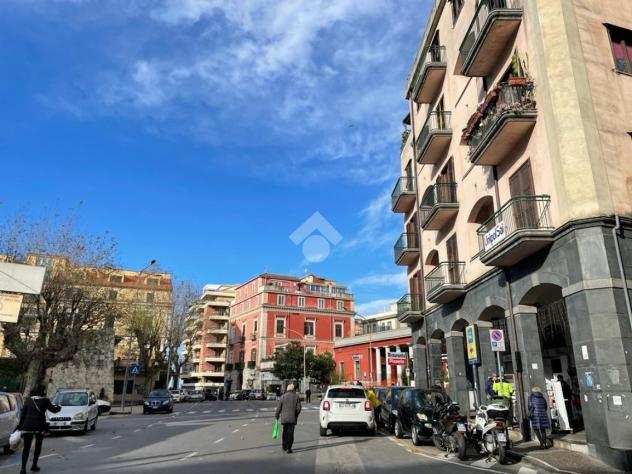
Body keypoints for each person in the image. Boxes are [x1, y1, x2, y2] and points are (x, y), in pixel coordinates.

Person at [16, 385, 61, 474]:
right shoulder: (45, 400)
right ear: (43, 392)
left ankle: (23, 469)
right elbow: (54, 410)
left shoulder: (28, 400)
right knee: (38, 446)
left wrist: (20, 427)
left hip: (27, 426)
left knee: (26, 447)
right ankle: (34, 465)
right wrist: (59, 407)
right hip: (39, 426)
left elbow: (23, 414)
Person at [275, 383, 301, 454]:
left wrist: (277, 415)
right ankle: (289, 448)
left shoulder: (283, 397)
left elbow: (279, 408)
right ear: (293, 389)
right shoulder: (296, 397)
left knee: (285, 432)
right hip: (292, 418)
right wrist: (295, 414)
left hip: (284, 418)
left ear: (287, 389)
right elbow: (299, 408)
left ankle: (284, 446)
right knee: (291, 433)